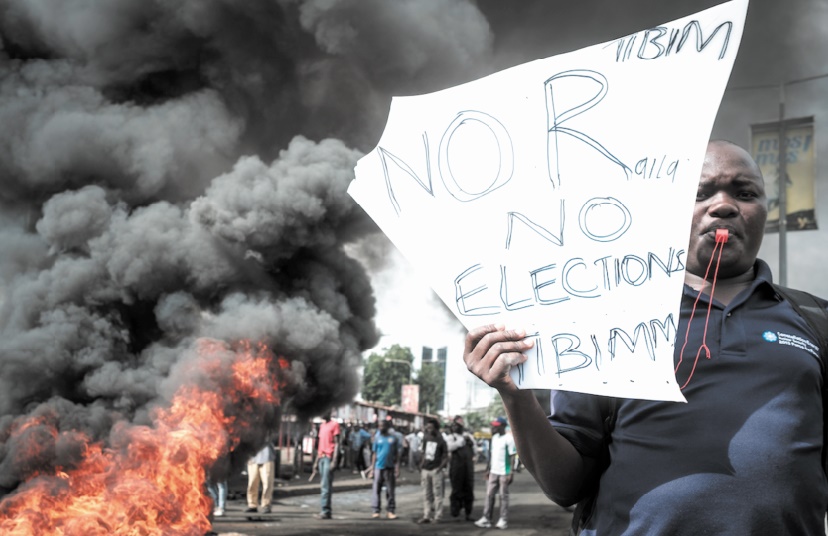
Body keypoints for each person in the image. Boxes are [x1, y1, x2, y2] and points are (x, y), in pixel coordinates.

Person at [463, 140, 828, 535]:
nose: (723, 205)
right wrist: (514, 395)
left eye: (745, 192)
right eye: (699, 193)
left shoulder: (815, 319)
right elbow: (564, 485)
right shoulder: (607, 318)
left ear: (765, 211)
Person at [475, 417, 516, 529]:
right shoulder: (495, 438)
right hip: (493, 471)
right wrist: (488, 469)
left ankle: (503, 519)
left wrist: (511, 472)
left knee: (503, 496)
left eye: (496, 425)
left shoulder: (509, 438)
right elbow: (492, 455)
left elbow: (512, 456)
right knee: (489, 495)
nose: (493, 427)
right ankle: (486, 518)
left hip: (504, 472)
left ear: (502, 426)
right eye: (493, 425)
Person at [367, 419, 401, 520]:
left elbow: (397, 455)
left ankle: (390, 511)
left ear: (387, 427)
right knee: (376, 490)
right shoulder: (377, 439)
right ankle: (376, 510)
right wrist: (372, 468)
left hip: (390, 468)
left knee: (390, 490)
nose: (381, 428)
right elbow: (374, 454)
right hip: (378, 467)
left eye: (383, 426)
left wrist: (397, 468)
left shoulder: (393, 439)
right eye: (379, 426)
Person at [417, 418, 449, 524]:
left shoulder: (441, 441)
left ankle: (438, 516)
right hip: (426, 469)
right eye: (428, 427)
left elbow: (445, 457)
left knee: (438, 494)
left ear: (436, 428)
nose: (429, 429)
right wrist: (421, 464)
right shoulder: (426, 438)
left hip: (436, 470)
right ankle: (426, 515)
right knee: (427, 494)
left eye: (431, 427)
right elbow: (423, 452)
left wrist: (439, 468)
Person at [444, 415, 476, 521]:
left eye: (458, 425)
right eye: (454, 425)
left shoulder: (468, 436)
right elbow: (449, 447)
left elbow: (474, 450)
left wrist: (470, 442)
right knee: (456, 489)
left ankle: (468, 512)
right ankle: (455, 511)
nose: (455, 427)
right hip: (456, 467)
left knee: (469, 490)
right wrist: (461, 441)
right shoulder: (450, 437)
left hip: (468, 467)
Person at [312, 411, 341, 520]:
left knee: (326, 485)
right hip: (321, 458)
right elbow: (320, 445)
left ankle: (326, 510)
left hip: (329, 458)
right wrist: (316, 462)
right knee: (323, 485)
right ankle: (325, 510)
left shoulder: (335, 425)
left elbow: (337, 443)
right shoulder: (322, 426)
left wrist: (335, 460)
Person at [245, 441, 276, 514]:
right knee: (252, 483)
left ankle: (266, 505)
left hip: (267, 457)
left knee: (268, 482)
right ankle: (252, 505)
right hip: (253, 458)